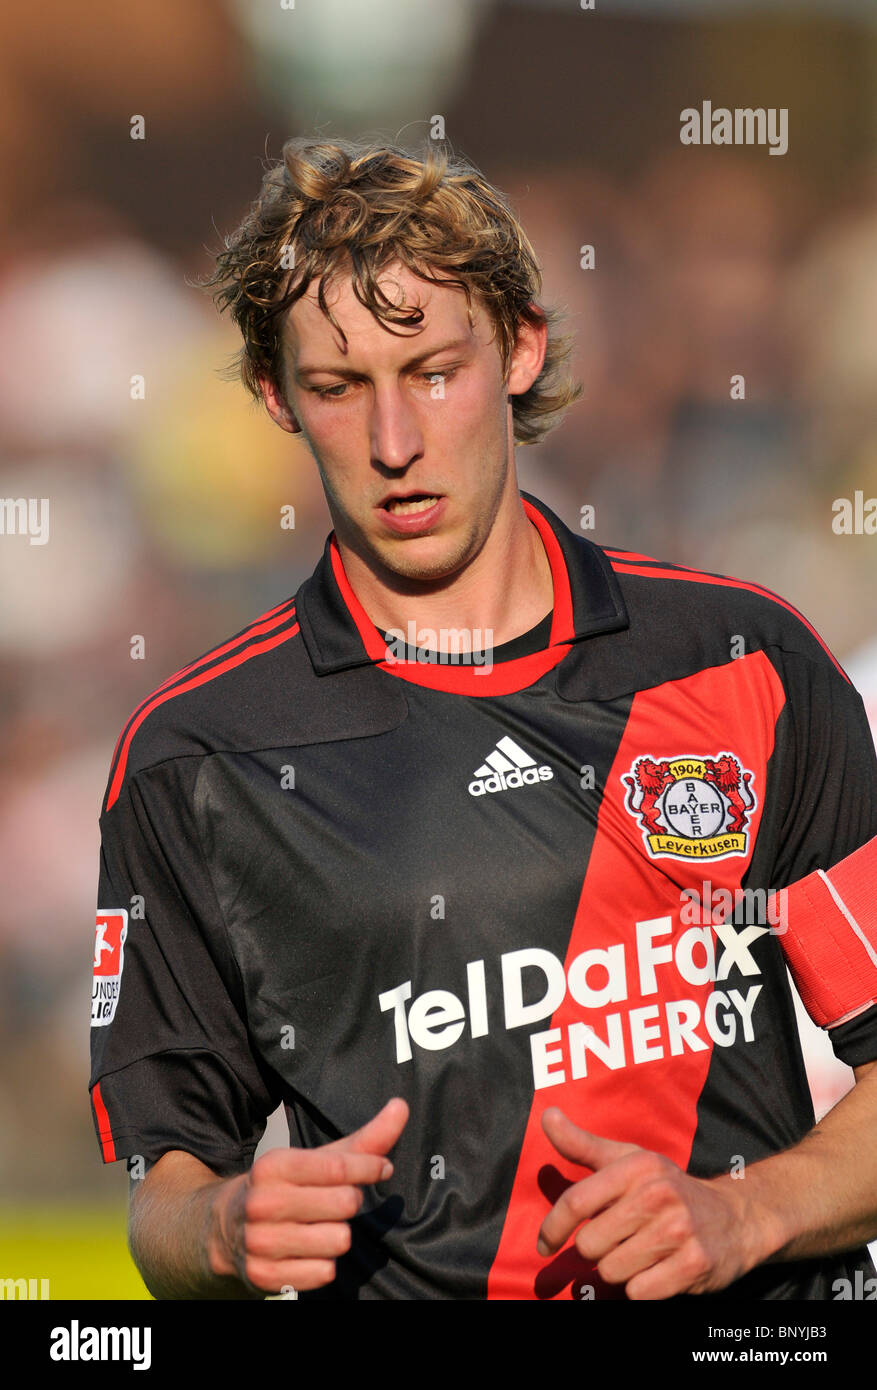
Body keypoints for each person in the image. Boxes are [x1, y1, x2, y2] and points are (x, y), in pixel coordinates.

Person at [90, 138, 877, 1301]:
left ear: (521, 347)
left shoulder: (743, 657)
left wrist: (744, 1211)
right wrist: (222, 1230)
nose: (394, 443)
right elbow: (168, 1195)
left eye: (432, 370)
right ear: (274, 394)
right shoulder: (196, 760)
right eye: (338, 387)